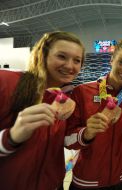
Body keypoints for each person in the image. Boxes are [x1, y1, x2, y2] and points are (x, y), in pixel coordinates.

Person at [0, 31, 85, 190]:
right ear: (42, 55)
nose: (69, 65)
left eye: (77, 60)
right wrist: (10, 138)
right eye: (61, 56)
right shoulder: (6, 83)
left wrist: (87, 134)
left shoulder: (65, 99)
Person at [65, 39, 122, 190]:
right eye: (121, 62)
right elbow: (67, 139)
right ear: (112, 60)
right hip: (88, 180)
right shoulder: (82, 92)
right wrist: (86, 133)